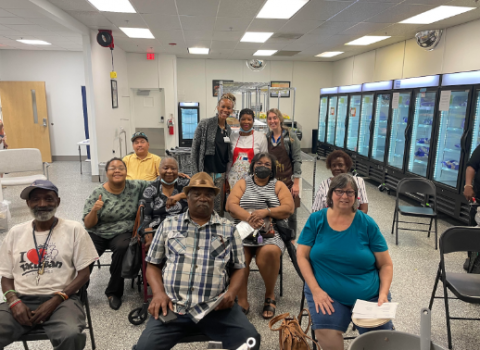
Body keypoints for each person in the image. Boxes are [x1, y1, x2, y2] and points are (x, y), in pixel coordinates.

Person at [133, 172, 261, 350]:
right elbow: (153, 264)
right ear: (187, 197)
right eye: (197, 194)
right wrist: (158, 293)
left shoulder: (229, 229)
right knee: (144, 348)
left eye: (208, 194)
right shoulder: (169, 225)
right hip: (173, 306)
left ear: (214, 198)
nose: (203, 198)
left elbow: (239, 267)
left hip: (216, 308)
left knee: (250, 341)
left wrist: (232, 293)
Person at [297, 173, 393, 350]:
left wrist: (383, 294)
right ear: (331, 194)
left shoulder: (367, 223)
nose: (344, 196)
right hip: (326, 293)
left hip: (369, 295)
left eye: (350, 192)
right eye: (339, 191)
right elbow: (301, 256)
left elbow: (386, 264)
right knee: (327, 331)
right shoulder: (316, 220)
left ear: (356, 196)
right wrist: (316, 290)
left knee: (380, 341)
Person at [0, 180, 98, 350]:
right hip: (21, 298)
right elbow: (6, 277)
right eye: (36, 199)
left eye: (48, 199)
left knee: (71, 334)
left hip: (62, 299)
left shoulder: (74, 229)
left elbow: (84, 273)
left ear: (58, 201)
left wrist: (56, 299)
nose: (42, 204)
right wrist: (14, 301)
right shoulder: (15, 233)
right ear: (28, 203)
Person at [226, 153, 294, 319]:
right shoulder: (243, 183)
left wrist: (266, 211)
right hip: (243, 230)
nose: (263, 166)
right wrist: (250, 218)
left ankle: (270, 295)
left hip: (270, 232)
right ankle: (242, 300)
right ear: (253, 165)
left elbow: (289, 208)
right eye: (259, 163)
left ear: (272, 169)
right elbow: (230, 205)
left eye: (267, 164)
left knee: (269, 252)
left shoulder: (278, 185)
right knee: (238, 256)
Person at [83, 157, 149, 310]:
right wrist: (94, 210)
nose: (117, 170)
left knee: (123, 247)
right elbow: (88, 224)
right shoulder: (97, 192)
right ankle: (79, 290)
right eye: (112, 168)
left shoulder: (135, 186)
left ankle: (114, 292)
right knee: (85, 251)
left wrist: (177, 176)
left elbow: (158, 183)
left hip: (122, 231)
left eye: (121, 167)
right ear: (106, 173)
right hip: (98, 230)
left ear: (126, 172)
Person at [191, 93, 235, 216]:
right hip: (205, 172)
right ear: (217, 107)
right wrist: (195, 173)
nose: (225, 110)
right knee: (204, 204)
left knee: (218, 207)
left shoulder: (228, 129)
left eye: (228, 108)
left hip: (220, 173)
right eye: (223, 106)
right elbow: (194, 149)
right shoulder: (205, 124)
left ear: (232, 110)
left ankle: (217, 231)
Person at [139, 156, 190, 247]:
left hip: (183, 229)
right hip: (158, 230)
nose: (169, 171)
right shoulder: (151, 189)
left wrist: (181, 195)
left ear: (178, 171)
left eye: (173, 168)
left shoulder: (185, 185)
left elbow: (201, 193)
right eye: (165, 168)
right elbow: (146, 217)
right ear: (159, 171)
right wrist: (148, 237)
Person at [266, 108, 302, 232]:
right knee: (274, 209)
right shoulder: (267, 137)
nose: (272, 121)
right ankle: (275, 235)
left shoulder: (290, 137)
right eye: (270, 118)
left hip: (289, 180)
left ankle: (291, 240)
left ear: (280, 119)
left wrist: (296, 183)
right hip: (273, 182)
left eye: (275, 118)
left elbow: (297, 160)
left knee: (291, 211)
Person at [227, 108, 268, 189]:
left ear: (253, 121)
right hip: (233, 179)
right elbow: (229, 159)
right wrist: (226, 177)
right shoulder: (233, 136)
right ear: (239, 120)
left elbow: (265, 160)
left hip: (254, 179)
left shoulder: (260, 137)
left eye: (249, 119)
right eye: (243, 119)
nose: (246, 122)